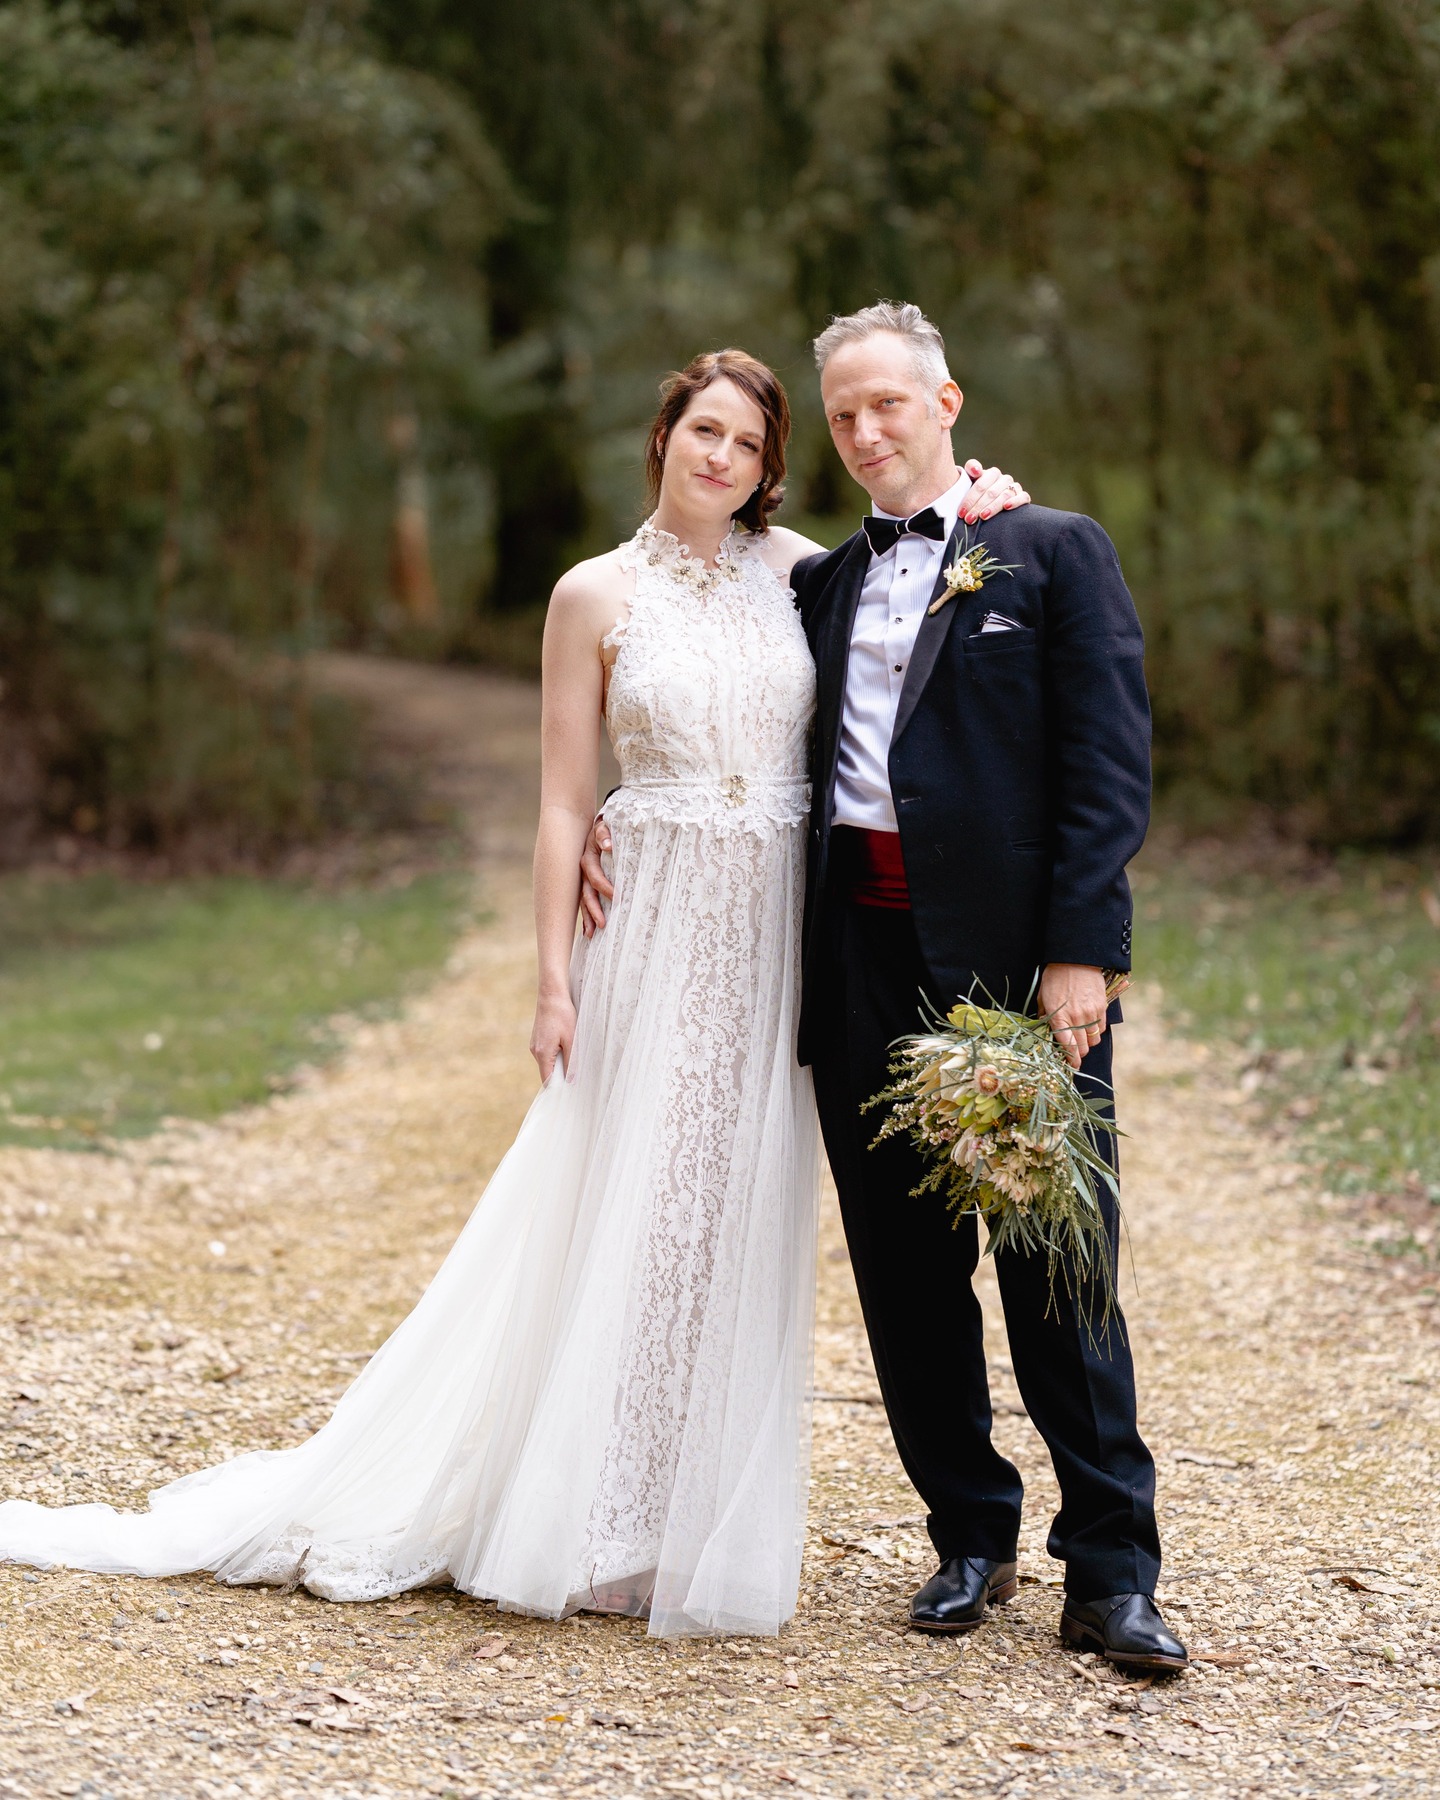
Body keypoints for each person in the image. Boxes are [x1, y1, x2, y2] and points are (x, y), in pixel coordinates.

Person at [0, 346, 1026, 1639]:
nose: (723, 459)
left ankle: (683, 1512)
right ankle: (593, 1516)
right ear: (664, 437)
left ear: (771, 471)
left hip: (779, 929)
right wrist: (553, 977)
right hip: (650, 923)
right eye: (704, 431)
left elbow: (918, 585)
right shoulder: (591, 594)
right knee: (631, 1200)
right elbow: (556, 801)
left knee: (731, 1210)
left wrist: (983, 491)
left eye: (751, 446)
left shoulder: (803, 574)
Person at [586, 304, 1186, 1674]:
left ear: (948, 401)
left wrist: (1083, 951)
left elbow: (1107, 769)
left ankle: (1113, 1570)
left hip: (1014, 976)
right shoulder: (815, 583)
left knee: (1057, 1271)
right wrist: (614, 824)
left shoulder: (1047, 553)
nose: (865, 432)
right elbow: (695, 649)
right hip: (857, 962)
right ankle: (968, 1534)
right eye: (842, 415)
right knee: (910, 1282)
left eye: (888, 408)